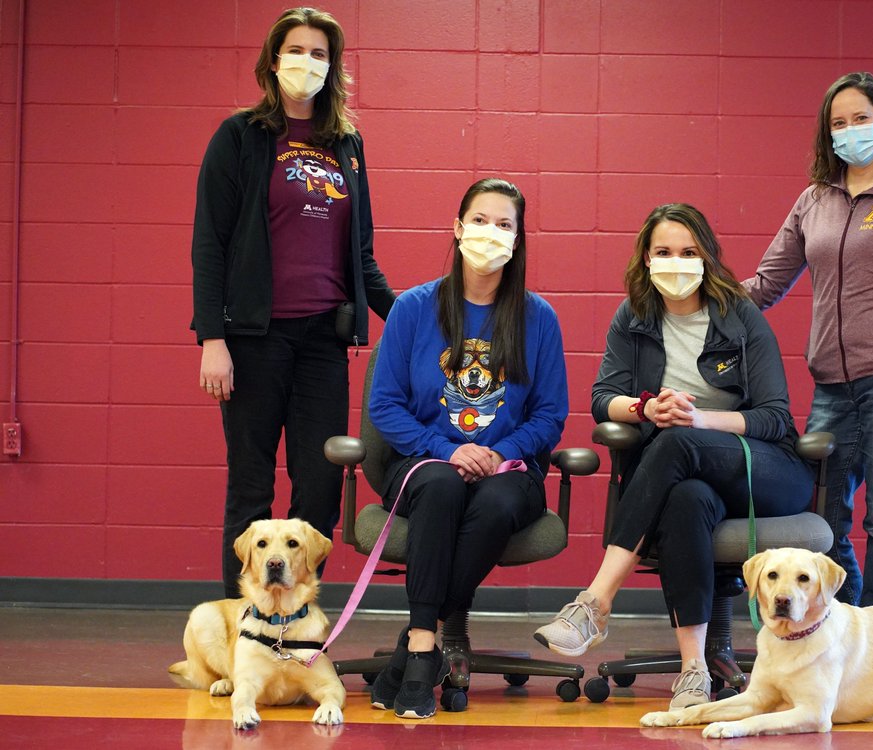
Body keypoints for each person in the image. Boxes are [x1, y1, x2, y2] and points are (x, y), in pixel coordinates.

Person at [533, 203, 813, 710]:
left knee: (678, 439)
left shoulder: (740, 315)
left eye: (688, 252)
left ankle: (595, 601)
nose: (676, 262)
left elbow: (775, 417)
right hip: (680, 475)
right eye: (663, 252)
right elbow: (602, 399)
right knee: (685, 498)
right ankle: (694, 670)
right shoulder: (634, 317)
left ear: (707, 257)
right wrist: (646, 408)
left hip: (762, 468)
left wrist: (700, 419)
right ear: (646, 258)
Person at [191, 7, 395, 599]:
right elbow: (210, 244)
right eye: (297, 51)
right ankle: (247, 627)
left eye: (319, 54)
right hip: (253, 339)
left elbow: (362, 255)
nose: (307, 63)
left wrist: (418, 317)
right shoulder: (240, 137)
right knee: (252, 489)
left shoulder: (347, 145)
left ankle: (299, 628)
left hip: (324, 341)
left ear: (333, 67)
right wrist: (212, 339)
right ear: (273, 61)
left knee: (320, 490)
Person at [744, 71, 873, 609]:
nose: (849, 130)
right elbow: (766, 283)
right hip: (832, 389)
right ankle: (844, 627)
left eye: (860, 118)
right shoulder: (814, 200)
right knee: (820, 517)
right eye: (838, 123)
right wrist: (697, 294)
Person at [367, 178, 568, 719]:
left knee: (496, 501)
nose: (490, 233)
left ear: (518, 240)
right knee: (442, 485)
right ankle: (423, 648)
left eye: (504, 224)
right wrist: (446, 449)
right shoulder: (412, 308)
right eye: (479, 220)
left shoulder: (539, 318)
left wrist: (499, 453)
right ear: (457, 228)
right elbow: (385, 406)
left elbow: (550, 415)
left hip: (511, 468)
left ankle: (417, 644)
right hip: (425, 461)